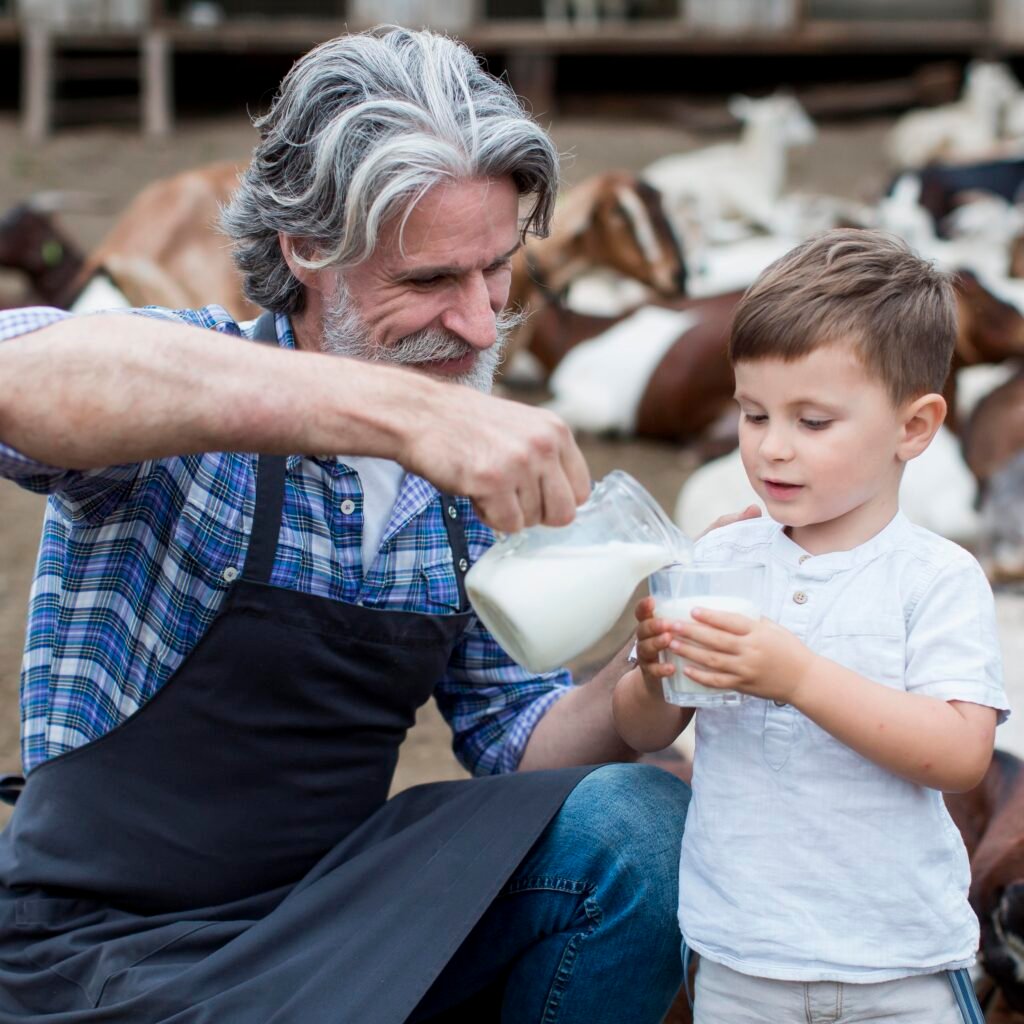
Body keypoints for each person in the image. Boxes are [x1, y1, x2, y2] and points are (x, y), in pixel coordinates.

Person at [0, 26, 701, 1023]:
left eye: (496, 269)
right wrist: (404, 415)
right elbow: (17, 379)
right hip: (103, 951)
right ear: (307, 247)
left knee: (642, 823)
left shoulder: (465, 483)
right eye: (429, 281)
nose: (479, 324)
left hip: (337, 924)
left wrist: (650, 675)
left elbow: (518, 738)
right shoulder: (188, 389)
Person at [612, 228, 1009, 1024]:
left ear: (914, 427)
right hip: (742, 957)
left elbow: (961, 755)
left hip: (897, 966)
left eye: (813, 422)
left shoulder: (935, 578)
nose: (772, 449)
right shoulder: (721, 555)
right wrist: (654, 677)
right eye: (753, 414)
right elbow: (643, 728)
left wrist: (798, 677)